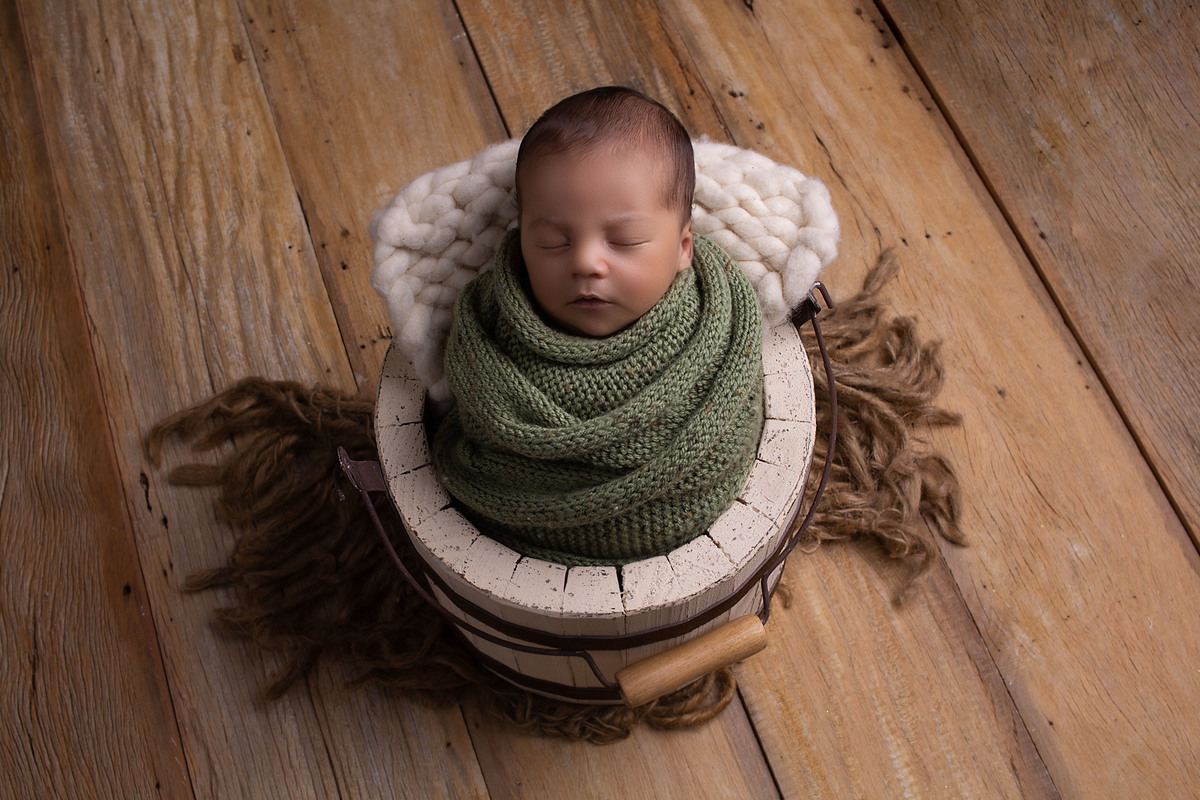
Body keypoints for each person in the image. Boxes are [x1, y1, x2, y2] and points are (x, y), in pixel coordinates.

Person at [430, 86, 764, 566]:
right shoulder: (486, 334)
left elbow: (734, 427)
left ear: (684, 246)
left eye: (625, 240)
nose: (586, 262)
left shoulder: (721, 325)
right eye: (551, 241)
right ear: (520, 239)